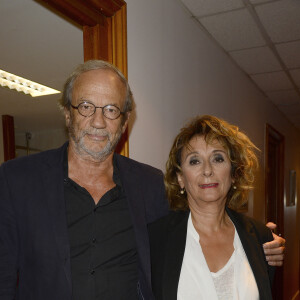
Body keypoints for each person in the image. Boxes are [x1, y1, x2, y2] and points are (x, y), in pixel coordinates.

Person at [0, 61, 284, 300]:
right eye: (86, 106)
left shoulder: (148, 185)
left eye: (111, 110)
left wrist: (259, 241)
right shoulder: (17, 180)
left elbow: (197, 219)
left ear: (124, 123)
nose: (99, 122)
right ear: (67, 113)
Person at [149, 115, 282, 300]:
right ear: (180, 178)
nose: (207, 170)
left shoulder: (261, 238)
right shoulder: (155, 239)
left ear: (234, 174)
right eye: (194, 161)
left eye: (218, 158)